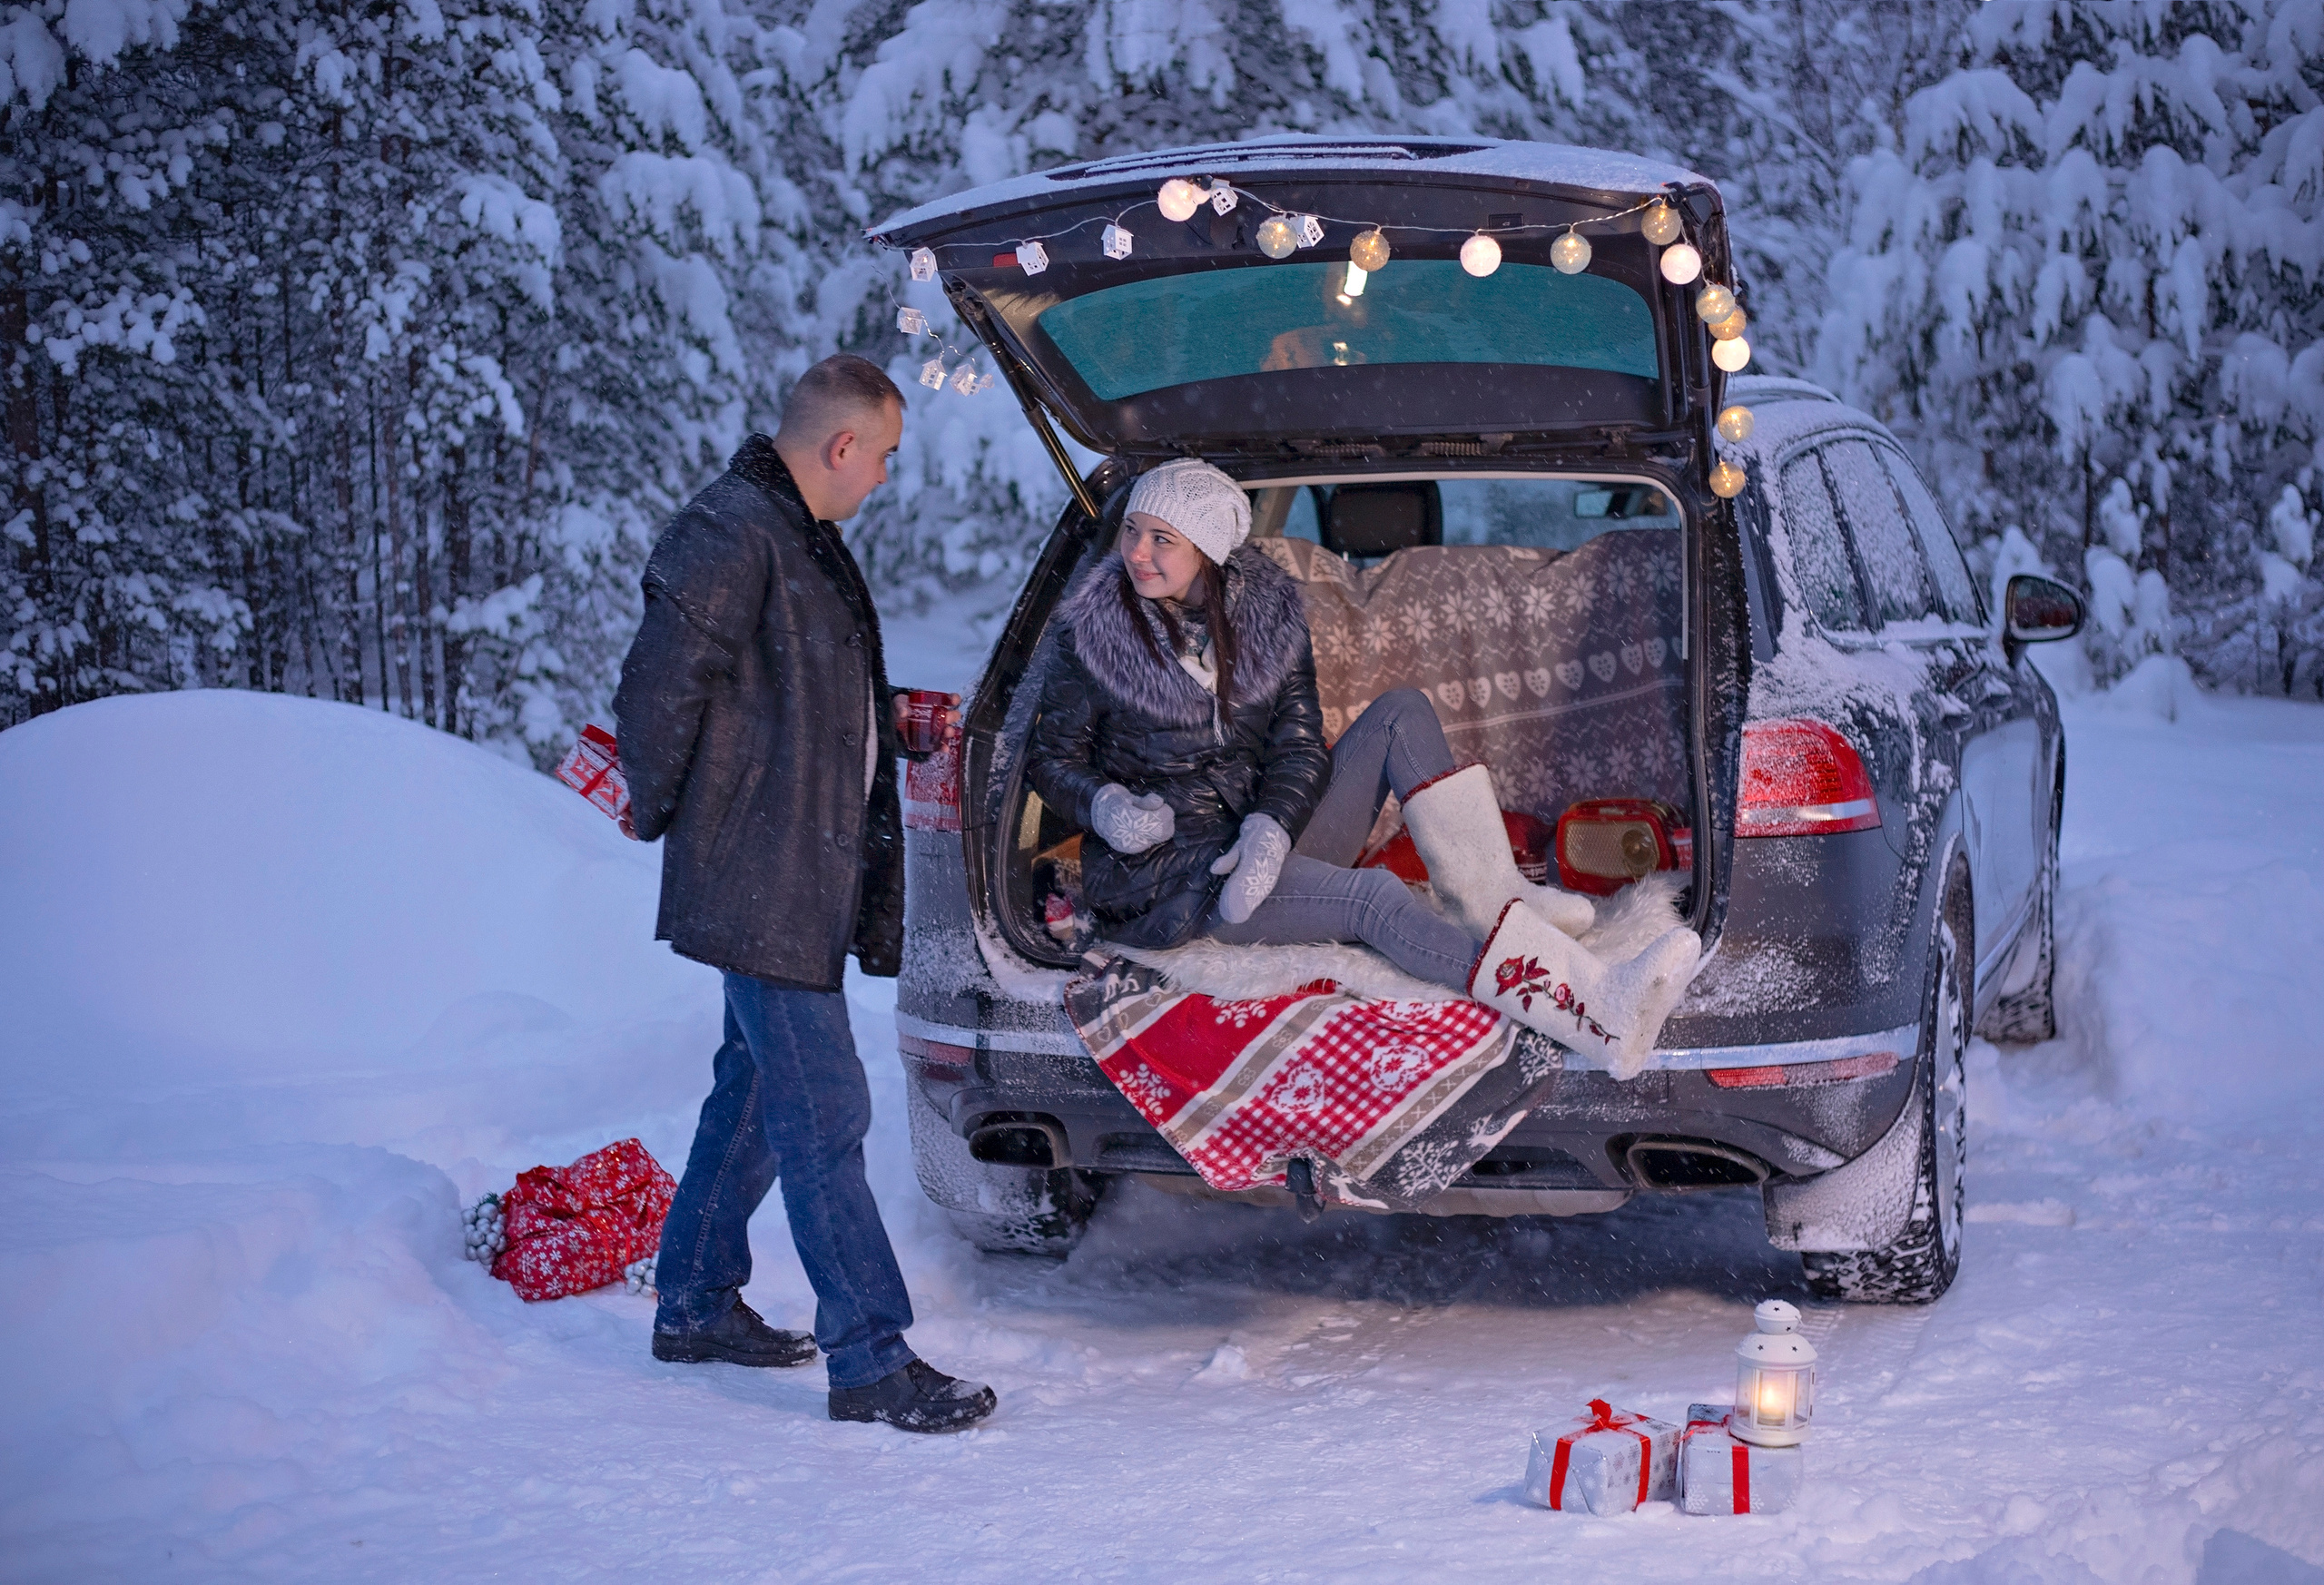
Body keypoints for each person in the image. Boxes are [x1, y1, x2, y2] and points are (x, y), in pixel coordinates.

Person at [611, 353, 994, 1434]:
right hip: (761, 867)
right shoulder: (732, 531)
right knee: (825, 1106)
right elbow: (655, 695)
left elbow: (786, 694)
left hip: (790, 862)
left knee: (757, 1091)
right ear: (841, 446)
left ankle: (690, 1299)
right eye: (882, 458)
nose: (883, 478)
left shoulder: (793, 536)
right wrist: (699, 820)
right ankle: (869, 1358)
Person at [1024, 458, 1701, 1061]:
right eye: (1131, 531)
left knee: (1400, 713)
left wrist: (1271, 829)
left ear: (1207, 550)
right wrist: (1104, 807)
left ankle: (1496, 905)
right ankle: (1590, 1006)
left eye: (1161, 538)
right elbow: (1051, 759)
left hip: (1258, 839)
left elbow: (1296, 746)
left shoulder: (1268, 621)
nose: (1137, 552)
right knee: (1372, 897)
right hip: (1175, 883)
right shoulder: (1091, 635)